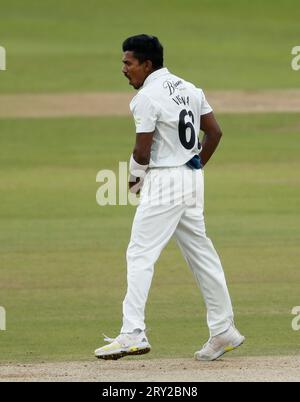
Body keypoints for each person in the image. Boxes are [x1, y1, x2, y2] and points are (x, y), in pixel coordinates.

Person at [95, 34, 245, 361]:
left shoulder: (146, 97)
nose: (123, 69)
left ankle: (132, 332)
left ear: (147, 64)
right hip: (191, 178)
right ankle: (223, 330)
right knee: (201, 253)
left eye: (128, 63)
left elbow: (142, 149)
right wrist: (194, 166)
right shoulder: (191, 88)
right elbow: (215, 132)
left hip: (165, 180)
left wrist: (134, 180)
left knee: (140, 252)